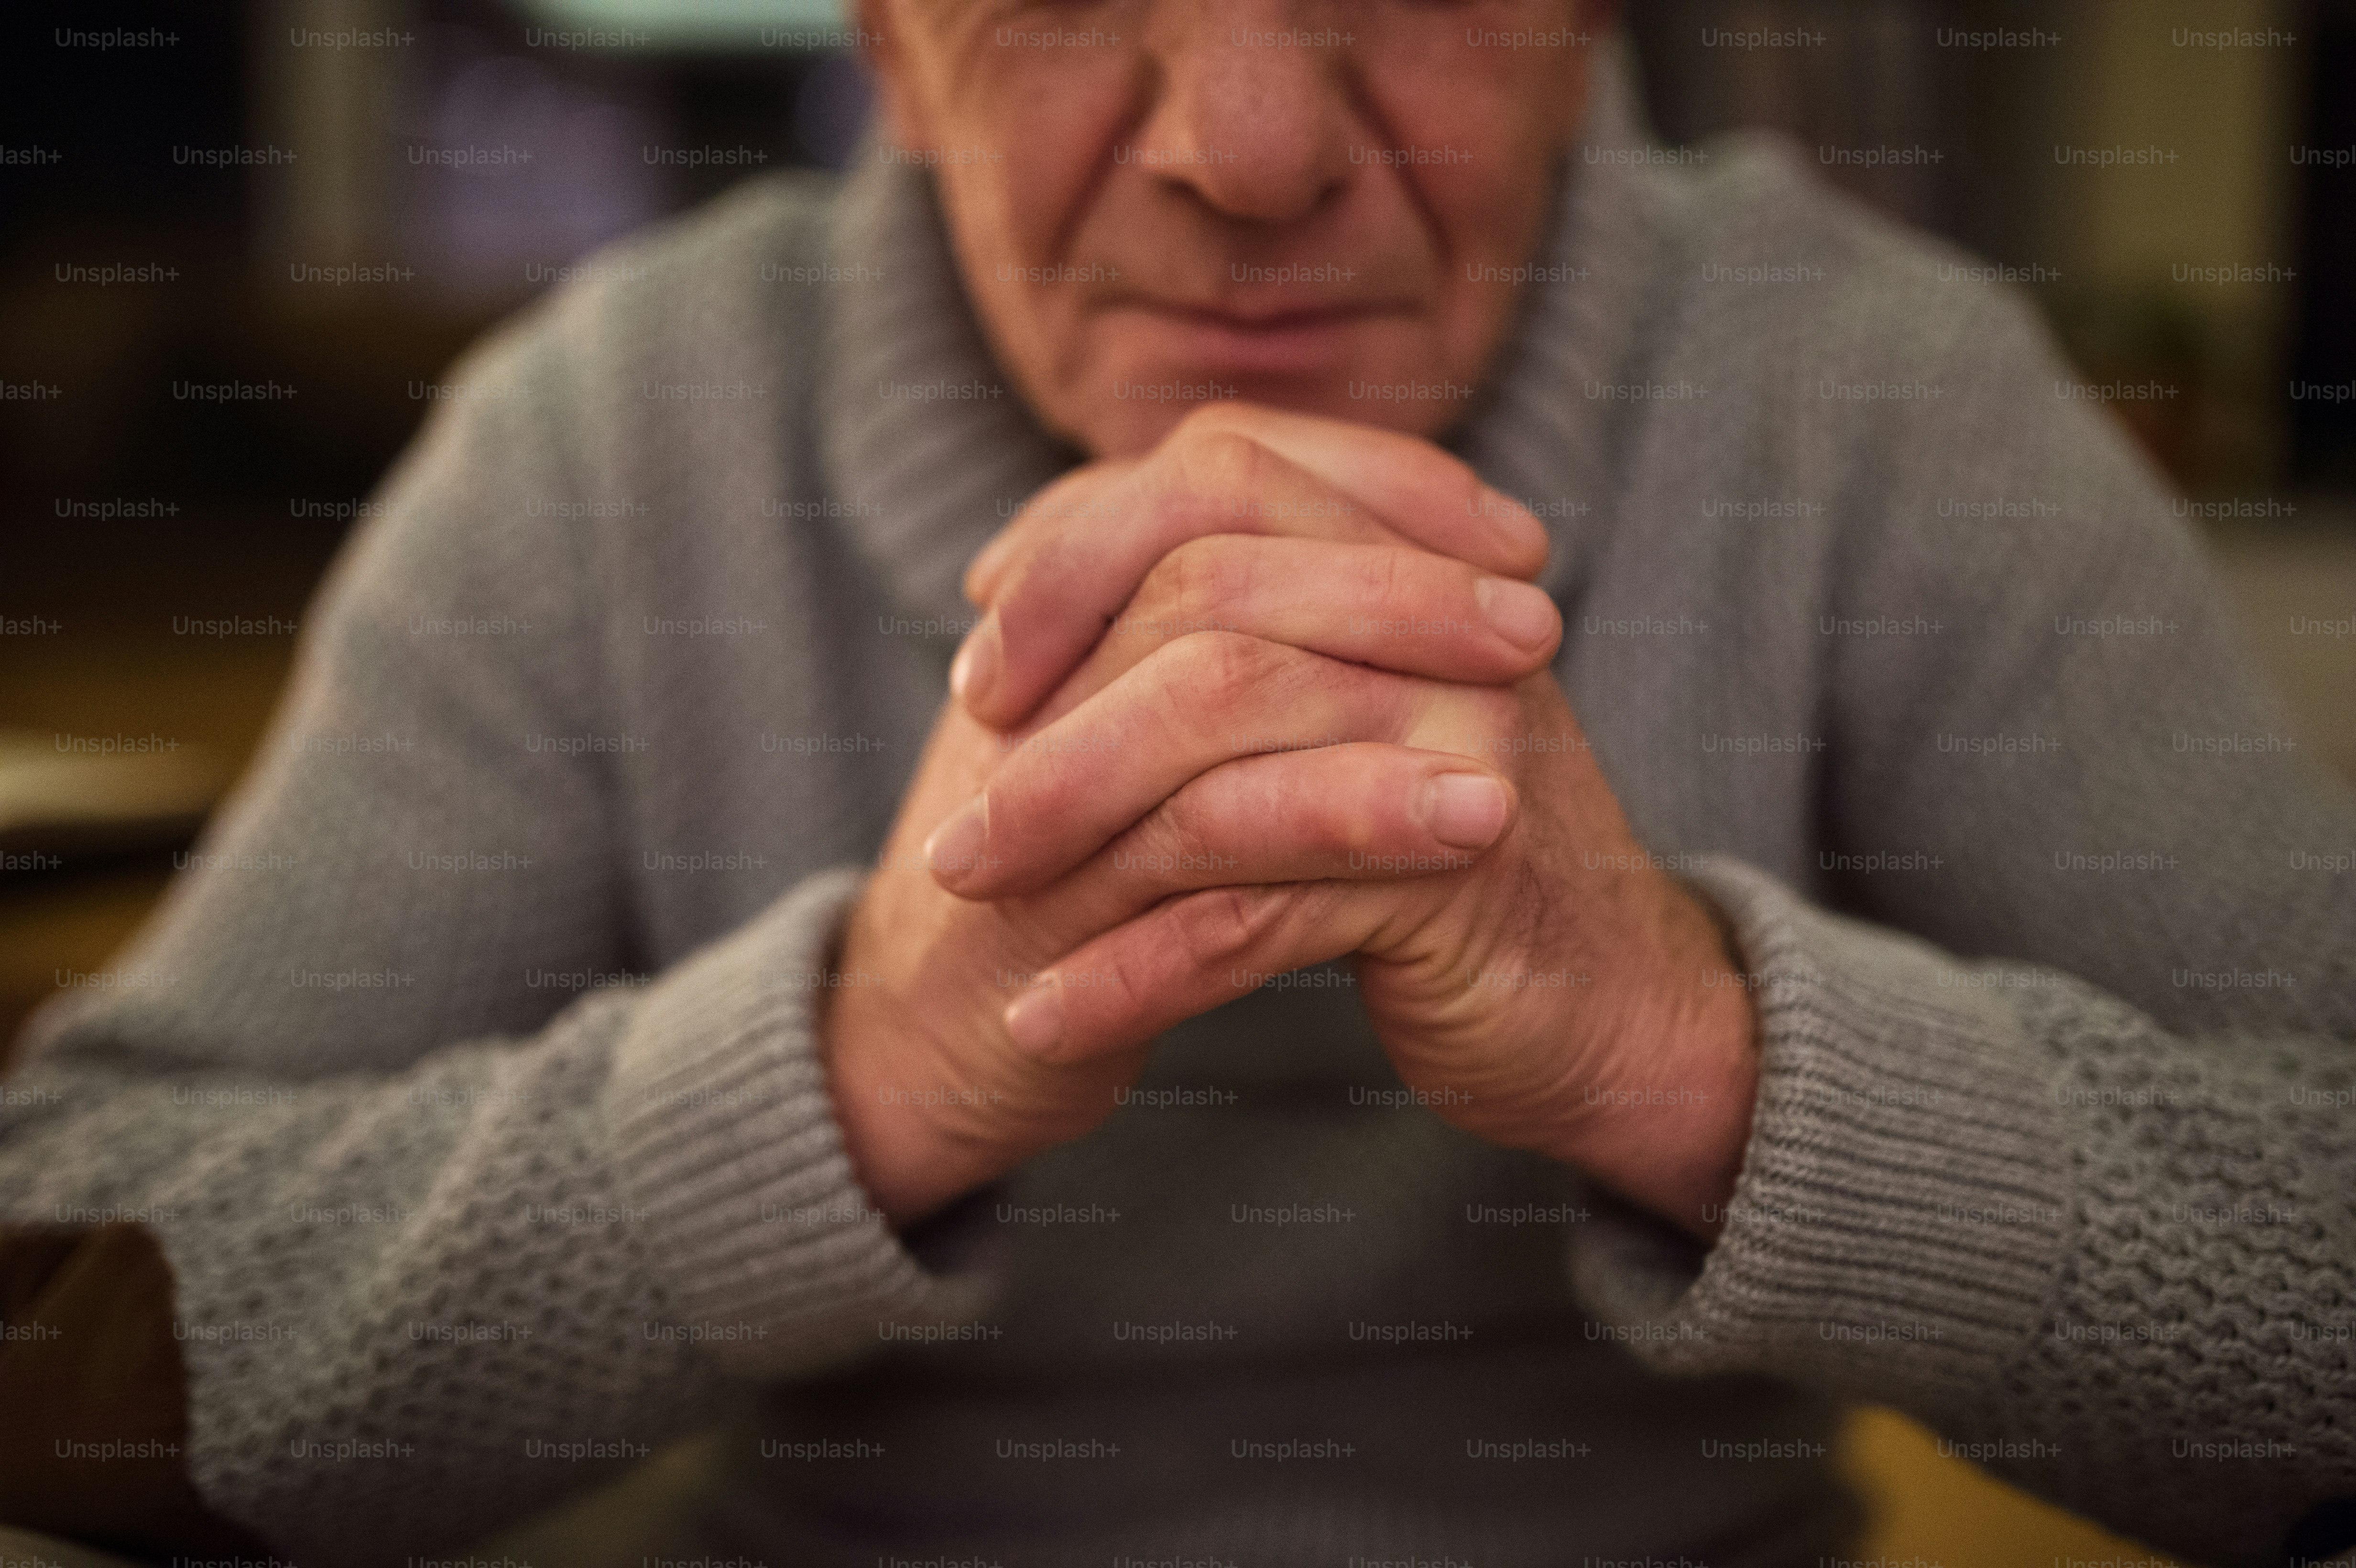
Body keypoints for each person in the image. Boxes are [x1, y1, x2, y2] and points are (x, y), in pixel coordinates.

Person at [2, 5, 2351, 1566]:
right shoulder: (614, 432)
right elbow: (61, 1294)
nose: (1243, 153)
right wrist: (837, 1076)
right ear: (887, 49)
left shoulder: (1880, 392)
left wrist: (1691, 1045)